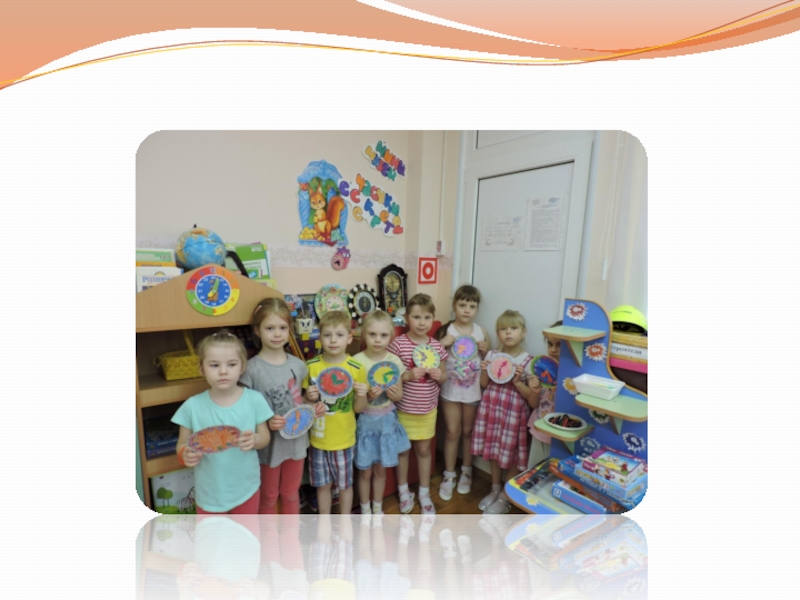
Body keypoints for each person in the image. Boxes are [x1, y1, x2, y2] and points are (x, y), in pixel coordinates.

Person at [173, 330, 272, 514]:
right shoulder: (192, 406)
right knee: (211, 533)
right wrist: (185, 454)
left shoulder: (254, 400)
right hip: (209, 493)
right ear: (202, 369)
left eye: (231, 364)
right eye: (214, 365)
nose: (223, 371)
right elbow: (182, 444)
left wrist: (256, 439)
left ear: (242, 367)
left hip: (246, 489)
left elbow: (265, 436)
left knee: (246, 532)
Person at [239, 298, 309, 514]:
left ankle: (291, 533)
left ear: (290, 330)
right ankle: (267, 534)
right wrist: (265, 422)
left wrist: (312, 405)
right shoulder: (250, 369)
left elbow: (301, 400)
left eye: (282, 328)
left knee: (291, 493)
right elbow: (242, 410)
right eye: (270, 328)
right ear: (257, 330)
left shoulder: (299, 365)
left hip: (296, 444)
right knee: (268, 497)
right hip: (269, 447)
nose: (277, 334)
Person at [387, 294, 448, 515]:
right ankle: (404, 491)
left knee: (423, 450)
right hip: (404, 410)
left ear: (432, 319)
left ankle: (423, 492)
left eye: (427, 317)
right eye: (416, 317)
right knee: (403, 452)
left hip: (428, 410)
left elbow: (444, 377)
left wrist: (439, 375)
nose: (422, 323)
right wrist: (408, 375)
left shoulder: (436, 346)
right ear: (406, 318)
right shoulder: (398, 344)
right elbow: (390, 375)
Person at [303, 310, 369, 515]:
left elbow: (358, 409)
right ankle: (324, 521)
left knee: (344, 486)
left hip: (344, 440)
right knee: (322, 486)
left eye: (339, 335)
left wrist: (362, 395)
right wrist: (309, 399)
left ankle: (346, 521)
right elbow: (304, 405)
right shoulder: (311, 367)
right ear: (319, 337)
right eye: (327, 335)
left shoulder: (356, 368)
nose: (333, 340)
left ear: (349, 338)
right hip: (318, 440)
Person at [471, 310, 535, 515]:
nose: (508, 333)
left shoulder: (529, 361)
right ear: (497, 333)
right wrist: (484, 370)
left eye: (513, 328)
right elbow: (484, 384)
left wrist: (518, 381)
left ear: (523, 332)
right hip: (492, 410)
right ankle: (495, 488)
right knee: (493, 450)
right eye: (503, 329)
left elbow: (531, 398)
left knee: (512, 454)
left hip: (514, 414)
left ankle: (506, 496)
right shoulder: (492, 355)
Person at [434, 285, 490, 501]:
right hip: (450, 390)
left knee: (468, 432)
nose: (467, 310)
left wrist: (486, 351)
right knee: (451, 432)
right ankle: (449, 474)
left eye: (472, 306)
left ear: (477, 308)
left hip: (473, 391)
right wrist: (441, 344)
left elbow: (489, 362)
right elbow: (431, 357)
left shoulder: (481, 332)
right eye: (462, 304)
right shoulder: (446, 331)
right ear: (454, 305)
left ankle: (466, 471)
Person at [353, 310, 411, 516]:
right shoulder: (357, 361)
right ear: (363, 334)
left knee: (380, 469)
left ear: (391, 336)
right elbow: (355, 406)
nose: (378, 340)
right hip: (366, 423)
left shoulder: (394, 361)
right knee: (365, 471)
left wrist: (393, 393)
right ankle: (365, 509)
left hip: (387, 422)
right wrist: (368, 396)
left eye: (383, 335)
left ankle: (377, 507)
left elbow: (399, 396)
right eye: (372, 334)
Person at [527, 320, 562, 469]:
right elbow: (534, 404)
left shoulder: (574, 376)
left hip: (561, 435)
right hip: (540, 430)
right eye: (550, 344)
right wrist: (534, 392)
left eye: (559, 345)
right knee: (534, 470)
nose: (553, 350)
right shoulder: (541, 370)